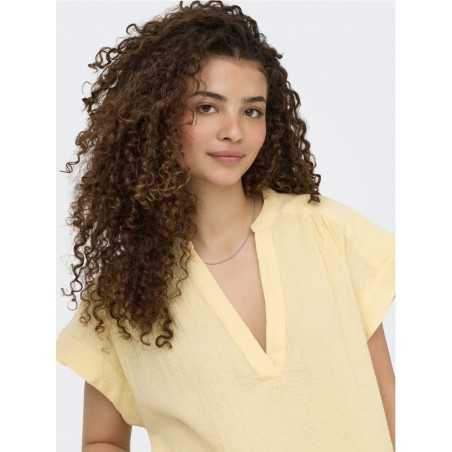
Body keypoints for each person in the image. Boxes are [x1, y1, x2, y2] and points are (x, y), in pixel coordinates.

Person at [56, 1, 395, 451]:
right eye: (207, 107)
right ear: (158, 115)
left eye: (252, 111)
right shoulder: (126, 291)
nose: (234, 131)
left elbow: (389, 399)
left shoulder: (327, 232)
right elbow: (103, 440)